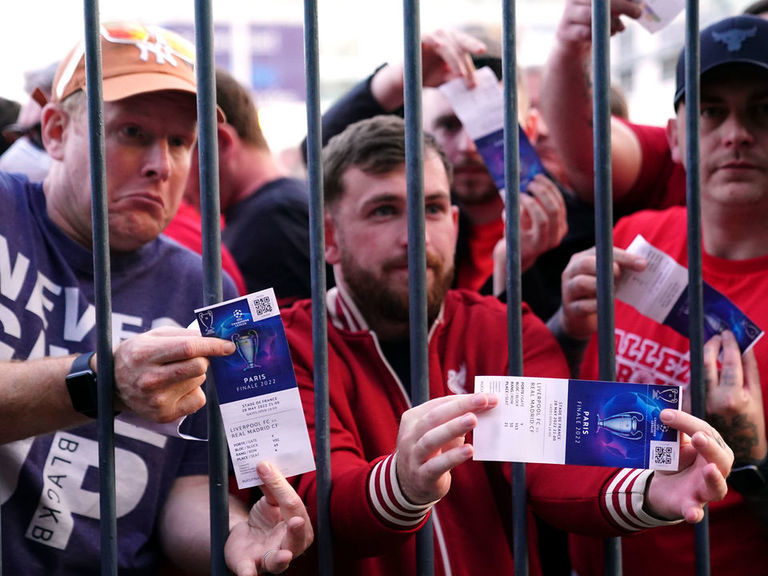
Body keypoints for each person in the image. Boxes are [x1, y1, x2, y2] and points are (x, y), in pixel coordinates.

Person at [282, 115, 733, 576]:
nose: (415, 235)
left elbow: (558, 468)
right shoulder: (284, 348)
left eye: (433, 209)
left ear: (455, 223)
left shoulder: (505, 329)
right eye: (383, 210)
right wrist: (401, 483)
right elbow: (315, 504)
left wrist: (650, 488)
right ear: (329, 238)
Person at [0, 21, 311, 575]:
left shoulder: (216, 291)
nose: (161, 166)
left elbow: (189, 484)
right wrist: (101, 380)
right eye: (131, 132)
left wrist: (235, 537)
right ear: (54, 131)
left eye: (180, 142)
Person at [551, 15, 768, 575]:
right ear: (675, 137)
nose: (736, 133)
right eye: (711, 111)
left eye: (763, 111)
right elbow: (564, 418)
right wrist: (566, 329)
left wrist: (754, 459)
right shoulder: (633, 241)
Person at [302, 28, 572, 311]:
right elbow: (325, 156)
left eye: (490, 127)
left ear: (528, 129)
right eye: (449, 125)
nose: (469, 146)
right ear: (421, 130)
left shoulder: (570, 225)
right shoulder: (410, 221)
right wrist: (396, 80)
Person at [179, 68, 322, 307]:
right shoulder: (274, 211)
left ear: (220, 144)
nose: (165, 169)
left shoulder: (274, 220)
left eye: (178, 145)